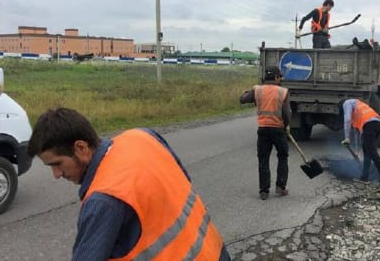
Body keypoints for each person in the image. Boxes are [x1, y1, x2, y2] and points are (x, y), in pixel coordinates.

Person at [27, 107, 231, 261]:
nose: (55, 174)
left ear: (81, 148)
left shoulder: (104, 200)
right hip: (214, 251)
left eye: (57, 164)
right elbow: (183, 181)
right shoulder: (142, 136)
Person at [240, 66, 291, 200]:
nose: (280, 80)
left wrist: (249, 90)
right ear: (275, 77)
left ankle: (264, 191)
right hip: (278, 129)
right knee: (282, 156)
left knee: (263, 159)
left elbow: (242, 99)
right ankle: (280, 187)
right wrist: (287, 126)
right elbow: (287, 113)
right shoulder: (283, 91)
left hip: (263, 129)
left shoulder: (257, 90)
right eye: (279, 77)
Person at [341, 99, 380, 185]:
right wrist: (357, 151)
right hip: (377, 123)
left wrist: (347, 137)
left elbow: (347, 120)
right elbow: (357, 134)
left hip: (369, 124)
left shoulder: (346, 103)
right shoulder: (357, 106)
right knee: (367, 152)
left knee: (372, 152)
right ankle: (364, 178)